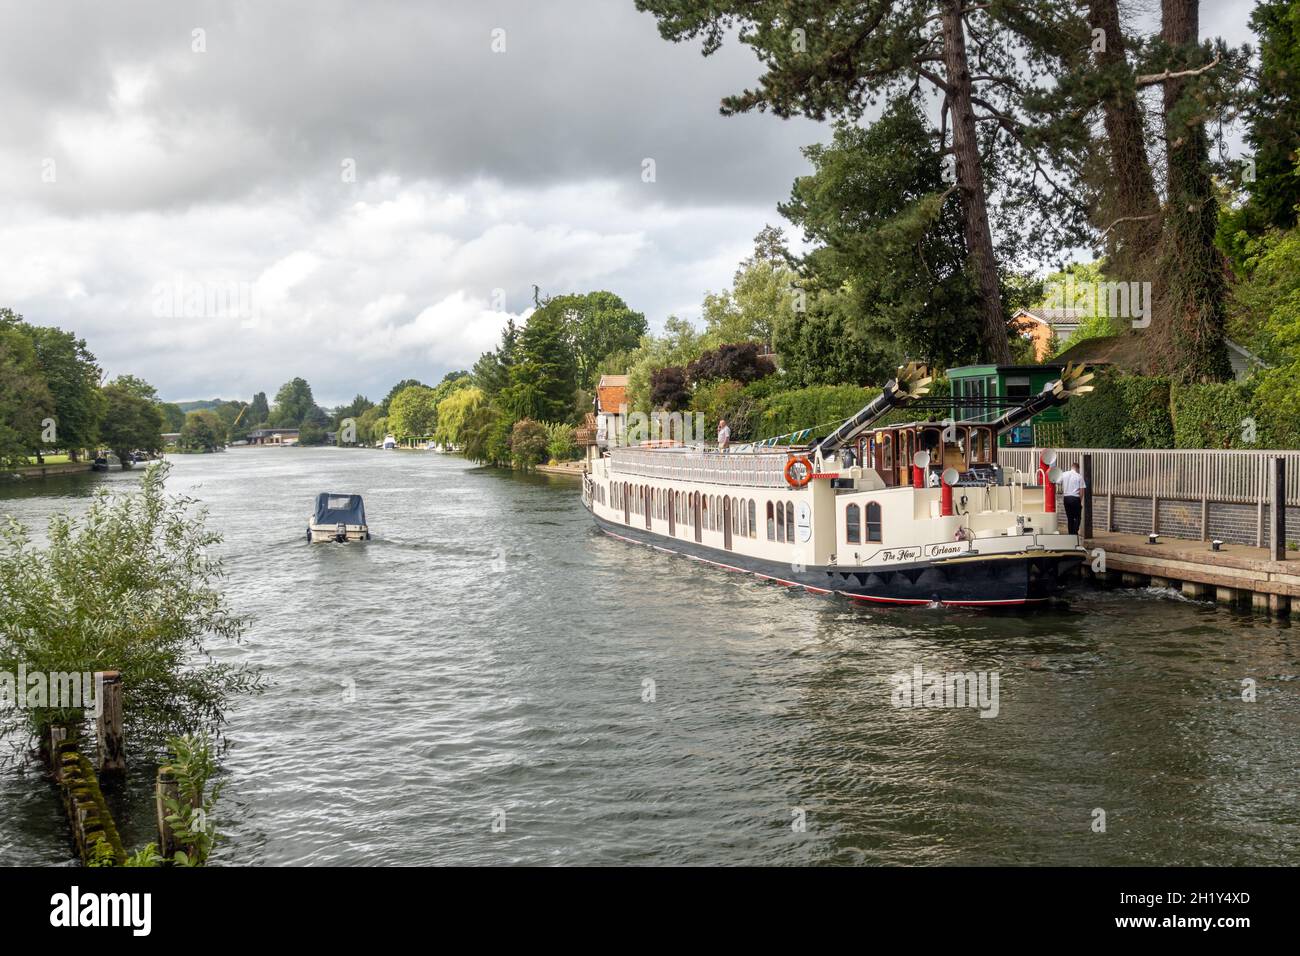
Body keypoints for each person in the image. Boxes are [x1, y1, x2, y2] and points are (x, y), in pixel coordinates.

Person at [1060, 461, 1086, 535]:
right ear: (1077, 468)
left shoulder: (1064, 474)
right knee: (1078, 517)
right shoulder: (1079, 476)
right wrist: (1079, 500)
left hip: (1066, 498)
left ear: (1071, 467)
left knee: (1070, 518)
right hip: (1075, 498)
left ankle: (1070, 535)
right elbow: (1082, 491)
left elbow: (1058, 481)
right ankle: (1074, 533)